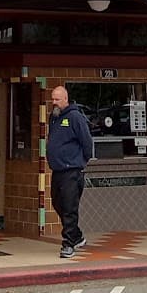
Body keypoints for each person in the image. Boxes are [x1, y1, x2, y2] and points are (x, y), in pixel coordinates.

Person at [46, 84, 94, 258]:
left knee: (69, 207)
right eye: (53, 99)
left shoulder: (75, 117)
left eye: (57, 99)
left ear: (65, 99)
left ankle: (68, 244)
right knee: (57, 202)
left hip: (72, 171)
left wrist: (81, 161)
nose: (54, 102)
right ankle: (77, 236)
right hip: (57, 170)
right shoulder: (54, 117)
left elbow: (87, 142)